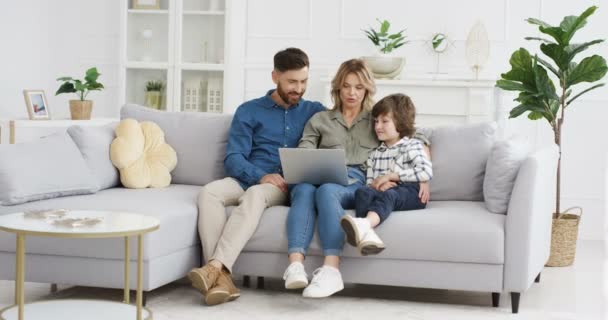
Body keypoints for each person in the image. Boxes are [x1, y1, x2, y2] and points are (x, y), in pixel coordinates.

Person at [188, 48, 325, 306]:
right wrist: (261, 175)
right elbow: (234, 158)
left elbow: (349, 125)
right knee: (209, 193)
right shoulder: (248, 110)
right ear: (275, 77)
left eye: (303, 81)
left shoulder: (314, 111)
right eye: (292, 82)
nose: (299, 88)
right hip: (248, 177)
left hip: (283, 185)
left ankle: (213, 268)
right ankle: (220, 278)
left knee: (255, 194)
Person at [282, 59, 431, 298]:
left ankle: (332, 270)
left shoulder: (377, 119)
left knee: (327, 190)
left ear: (367, 89)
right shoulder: (320, 120)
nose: (352, 93)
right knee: (304, 190)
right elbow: (304, 151)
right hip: (316, 176)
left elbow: (416, 133)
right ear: (337, 89)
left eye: (359, 87)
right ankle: (295, 266)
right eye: (347, 86)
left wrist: (422, 178)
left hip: (355, 181)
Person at [342, 93, 432, 256]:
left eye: (385, 121)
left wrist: (391, 176)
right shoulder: (376, 153)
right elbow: (369, 182)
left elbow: (425, 171)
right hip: (385, 190)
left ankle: (364, 224)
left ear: (401, 122)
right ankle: (367, 236)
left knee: (391, 194)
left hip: (412, 192)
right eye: (376, 121)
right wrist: (379, 184)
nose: (377, 126)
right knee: (362, 192)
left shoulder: (412, 145)